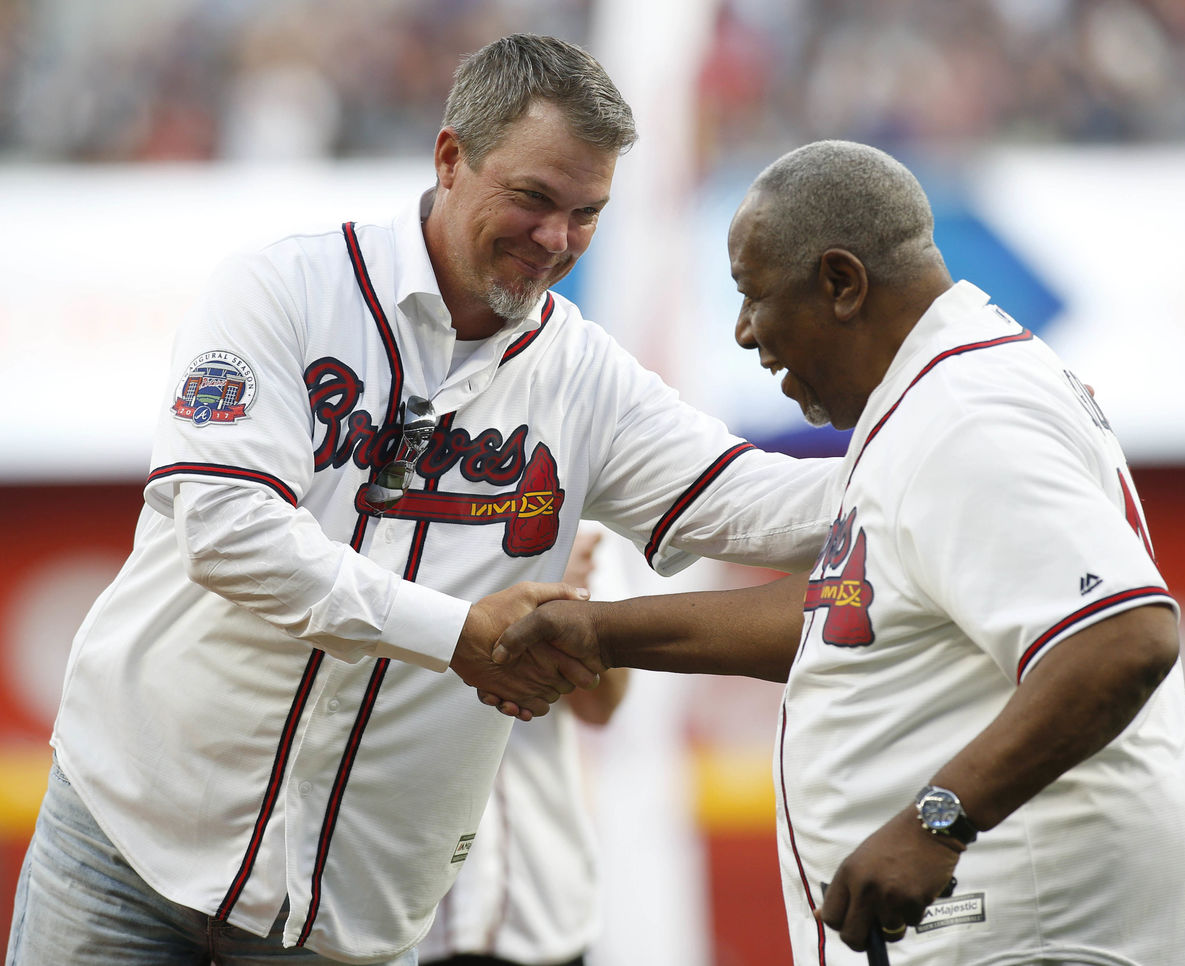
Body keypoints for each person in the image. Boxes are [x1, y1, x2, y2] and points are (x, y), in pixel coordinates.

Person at [4, 35, 839, 966]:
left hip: (348, 909)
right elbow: (227, 530)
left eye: (586, 213)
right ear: (450, 158)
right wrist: (458, 634)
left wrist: (948, 438)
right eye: (532, 198)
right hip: (128, 840)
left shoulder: (585, 376)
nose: (556, 238)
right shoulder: (283, 290)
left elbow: (755, 502)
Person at [486, 140, 1185, 965]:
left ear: (841, 283)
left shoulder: (964, 413)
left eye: (754, 297)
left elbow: (1124, 636)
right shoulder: (930, 395)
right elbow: (852, 610)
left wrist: (941, 817)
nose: (747, 331)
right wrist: (603, 632)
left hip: (1057, 926)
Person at [417, 526, 629, 966]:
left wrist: (556, 601)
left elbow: (602, 703)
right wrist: (512, 582)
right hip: (391, 898)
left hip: (539, 895)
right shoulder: (355, 483)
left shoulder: (573, 497)